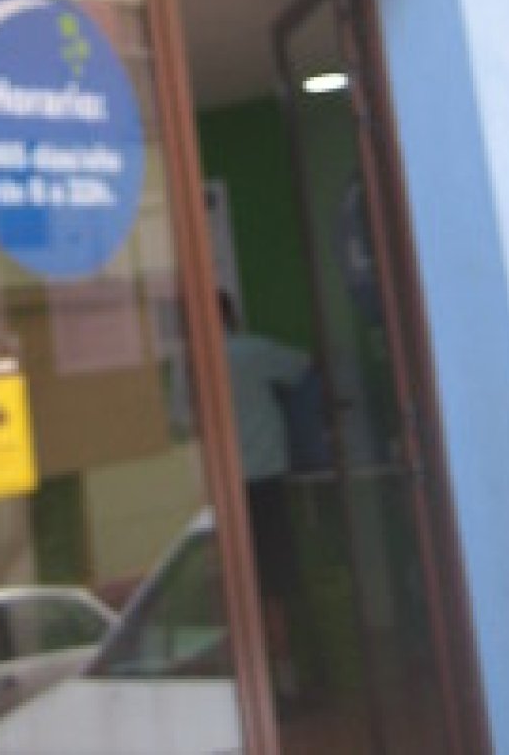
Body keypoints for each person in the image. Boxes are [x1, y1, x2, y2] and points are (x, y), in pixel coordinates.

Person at [218, 289, 313, 710]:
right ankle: (287, 685)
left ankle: (253, 694)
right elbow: (302, 365)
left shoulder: (193, 365)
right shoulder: (251, 351)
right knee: (275, 587)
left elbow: (182, 419)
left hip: (223, 490)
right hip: (266, 483)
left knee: (242, 589)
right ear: (232, 317)